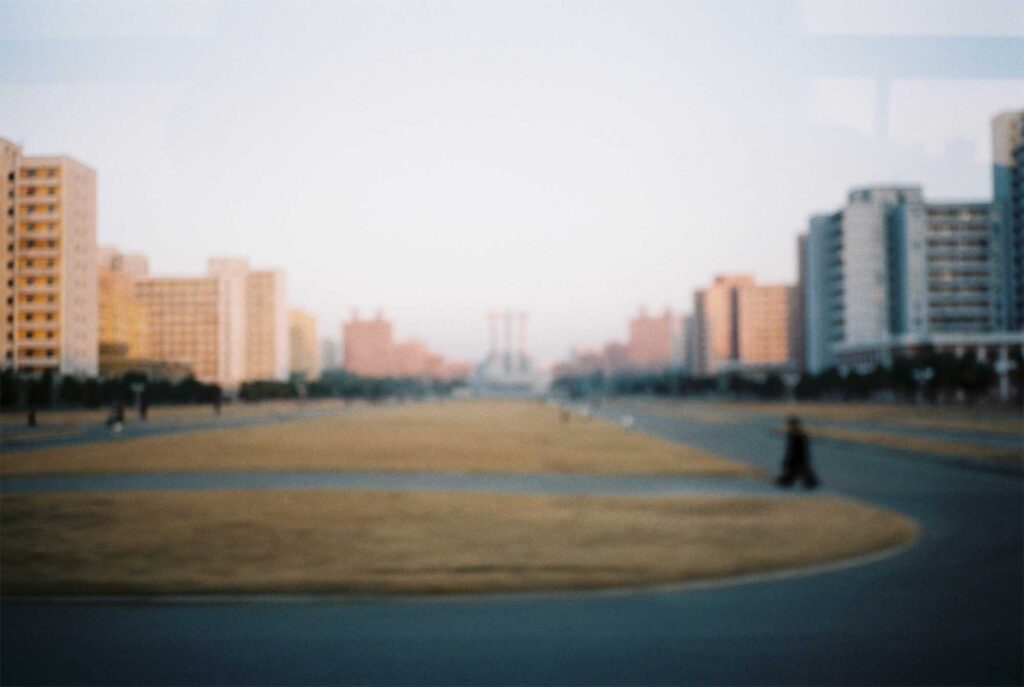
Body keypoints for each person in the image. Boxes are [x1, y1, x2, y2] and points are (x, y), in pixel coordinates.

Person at [776, 417, 818, 488]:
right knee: (795, 473)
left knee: (802, 472)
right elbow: (791, 449)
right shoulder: (793, 435)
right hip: (795, 458)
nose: (791, 426)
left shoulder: (799, 435)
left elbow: (802, 449)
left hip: (800, 458)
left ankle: (811, 484)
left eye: (792, 425)